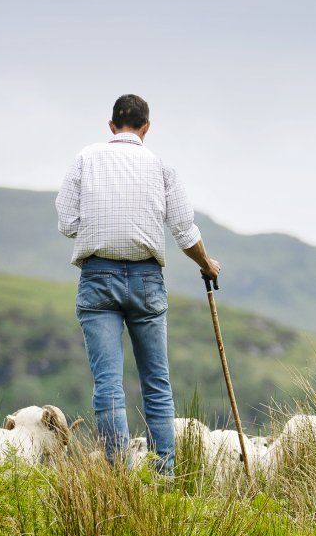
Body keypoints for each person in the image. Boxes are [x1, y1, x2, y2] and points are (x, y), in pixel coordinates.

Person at [56, 93, 221, 474]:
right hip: (146, 279)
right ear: (147, 127)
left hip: (98, 278)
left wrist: (98, 229)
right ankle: (163, 477)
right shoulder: (161, 167)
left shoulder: (85, 159)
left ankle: (117, 478)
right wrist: (207, 264)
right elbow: (183, 229)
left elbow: (66, 224)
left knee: (108, 385)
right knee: (157, 385)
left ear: (111, 126)